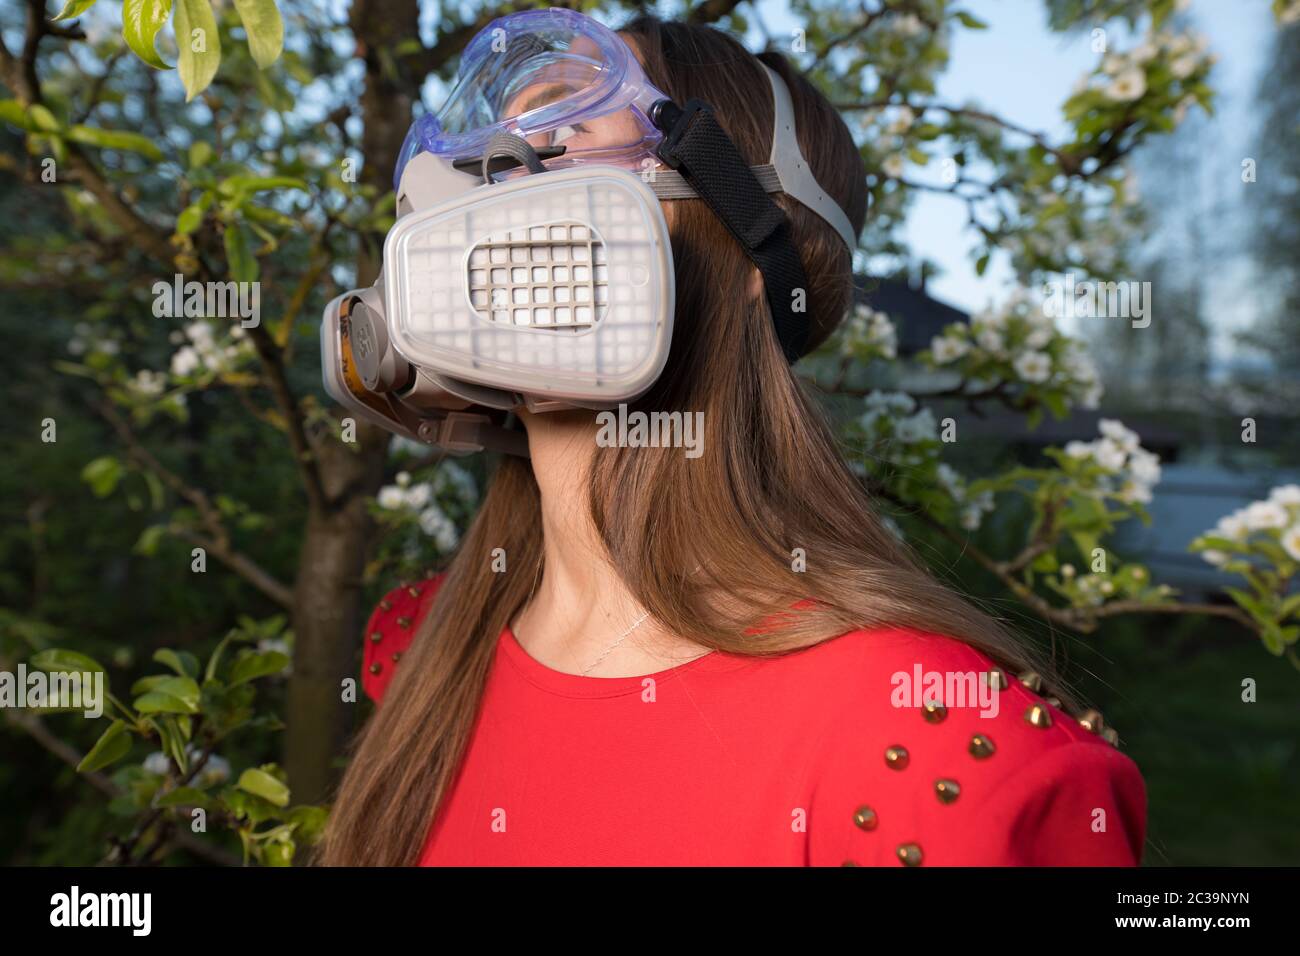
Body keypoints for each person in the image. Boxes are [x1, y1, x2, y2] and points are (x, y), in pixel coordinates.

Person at [320, 10, 1145, 867]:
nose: (489, 192)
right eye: (478, 158)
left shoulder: (941, 751)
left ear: (751, 248)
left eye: (561, 129)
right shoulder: (419, 651)